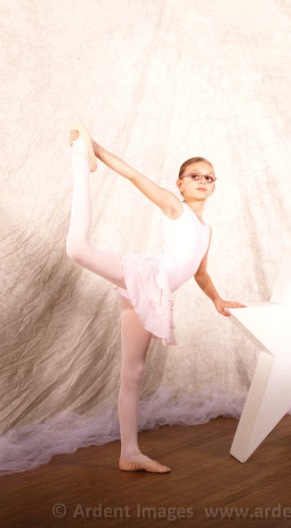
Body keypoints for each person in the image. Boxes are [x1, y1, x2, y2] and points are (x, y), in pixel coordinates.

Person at [66, 123, 244, 473]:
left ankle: (129, 454)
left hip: (153, 293)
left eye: (209, 177)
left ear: (214, 186)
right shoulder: (176, 207)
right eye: (194, 176)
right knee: (78, 249)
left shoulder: (207, 230)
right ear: (180, 184)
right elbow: (135, 176)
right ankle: (79, 159)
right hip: (150, 274)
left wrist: (217, 299)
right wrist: (93, 147)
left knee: (133, 372)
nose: (203, 181)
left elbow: (201, 273)